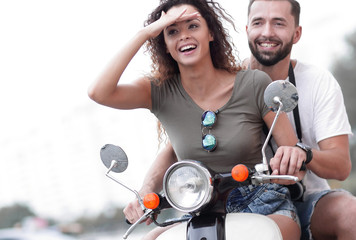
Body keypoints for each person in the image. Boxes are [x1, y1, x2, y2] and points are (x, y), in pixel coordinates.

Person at [88, 0, 304, 239]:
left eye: (192, 26)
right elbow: (99, 92)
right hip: (198, 210)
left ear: (211, 32)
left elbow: (292, 154)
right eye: (172, 31)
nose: (183, 36)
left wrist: (291, 158)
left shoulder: (253, 83)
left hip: (263, 203)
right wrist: (146, 32)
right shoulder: (158, 92)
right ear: (165, 45)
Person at [246, 0, 356, 239]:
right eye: (258, 22)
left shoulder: (319, 81)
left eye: (278, 23)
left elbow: (341, 165)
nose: (267, 32)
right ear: (247, 30)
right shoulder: (225, 82)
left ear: (296, 34)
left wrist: (304, 153)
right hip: (243, 208)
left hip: (307, 201)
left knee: (352, 214)